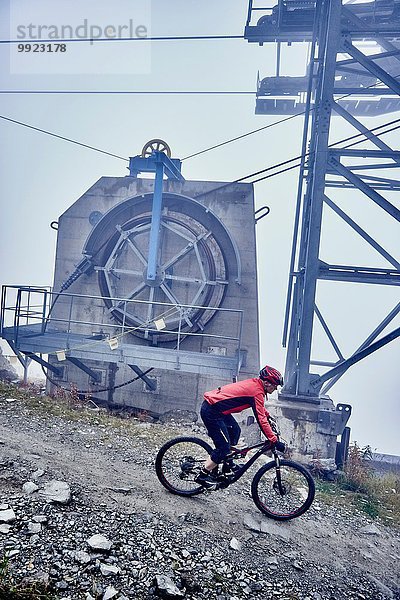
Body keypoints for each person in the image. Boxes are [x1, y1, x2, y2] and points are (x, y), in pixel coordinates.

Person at [195, 365, 286, 488]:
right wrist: (273, 440)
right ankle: (202, 475)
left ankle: (228, 464)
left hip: (219, 411)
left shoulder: (256, 386)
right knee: (224, 447)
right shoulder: (257, 391)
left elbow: (260, 408)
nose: (276, 389)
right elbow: (260, 419)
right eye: (275, 385)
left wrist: (268, 416)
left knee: (235, 431)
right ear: (266, 382)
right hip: (212, 412)